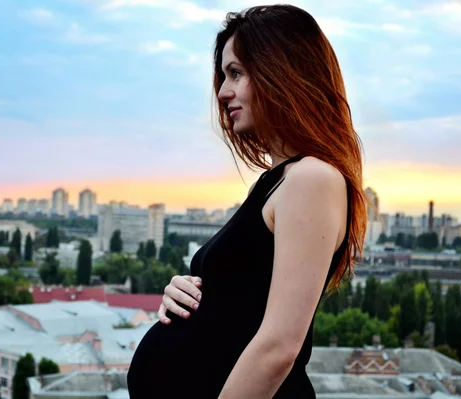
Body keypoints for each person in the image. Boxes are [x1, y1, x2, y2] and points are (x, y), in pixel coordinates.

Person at [127, 4, 366, 399]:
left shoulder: (312, 178)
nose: (222, 92)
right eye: (223, 76)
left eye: (235, 73)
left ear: (281, 71)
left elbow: (278, 348)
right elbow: (244, 305)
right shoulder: (278, 181)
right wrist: (187, 297)